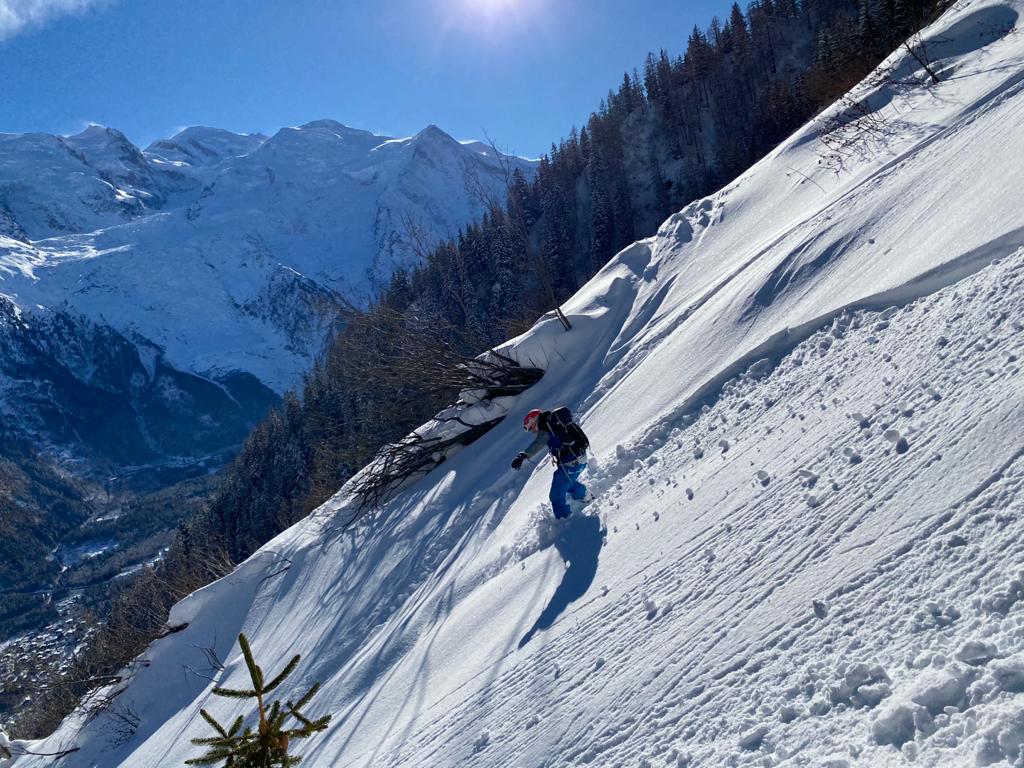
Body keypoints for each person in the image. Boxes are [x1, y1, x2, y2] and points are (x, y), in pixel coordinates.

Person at [511, 407, 592, 519]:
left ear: (534, 421)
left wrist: (522, 455)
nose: (533, 431)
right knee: (568, 483)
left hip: (571, 462)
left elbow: (538, 443)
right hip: (579, 459)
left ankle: (564, 519)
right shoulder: (553, 424)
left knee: (556, 494)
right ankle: (587, 497)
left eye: (532, 428)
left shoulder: (545, 427)